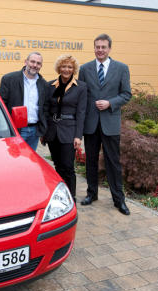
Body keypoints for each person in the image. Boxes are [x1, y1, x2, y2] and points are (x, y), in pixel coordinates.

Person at [78, 34, 132, 215]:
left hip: (110, 122)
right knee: (91, 161)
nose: (100, 50)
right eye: (97, 47)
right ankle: (91, 194)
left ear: (109, 48)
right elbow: (81, 95)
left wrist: (110, 103)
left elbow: (126, 94)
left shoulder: (122, 68)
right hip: (91, 124)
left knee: (113, 163)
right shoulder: (85, 69)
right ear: (94, 48)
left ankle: (119, 200)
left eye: (103, 47)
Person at [43, 55, 86, 202]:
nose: (66, 69)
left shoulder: (81, 87)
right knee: (57, 164)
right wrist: (44, 131)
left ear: (74, 69)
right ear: (59, 68)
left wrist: (78, 136)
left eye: (69, 67)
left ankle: (71, 197)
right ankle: (60, 195)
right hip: (52, 131)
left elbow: (81, 113)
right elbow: (46, 109)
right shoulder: (50, 86)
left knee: (68, 166)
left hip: (69, 131)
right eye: (63, 66)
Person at [0, 52, 47, 151]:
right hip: (15, 130)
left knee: (29, 161)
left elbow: (45, 108)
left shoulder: (44, 84)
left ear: (41, 66)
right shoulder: (9, 79)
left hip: (34, 131)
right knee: (14, 160)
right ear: (26, 62)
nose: (35, 65)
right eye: (32, 61)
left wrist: (43, 130)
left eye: (38, 63)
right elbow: (1, 105)